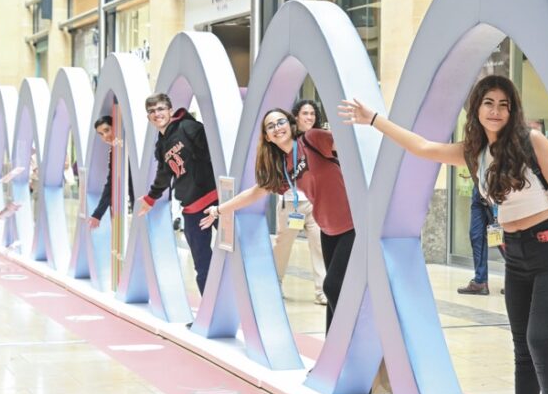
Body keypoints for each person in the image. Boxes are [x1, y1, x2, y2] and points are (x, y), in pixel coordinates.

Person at [339, 75, 548, 394]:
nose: (496, 111)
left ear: (512, 110)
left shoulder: (533, 144)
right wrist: (374, 119)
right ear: (476, 108)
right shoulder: (474, 152)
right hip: (515, 257)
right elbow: (423, 147)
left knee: (539, 340)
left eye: (503, 104)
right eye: (488, 103)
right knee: (521, 349)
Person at [201, 108, 353, 331]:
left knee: (332, 286)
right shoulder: (283, 166)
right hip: (328, 229)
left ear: (290, 124)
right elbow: (254, 193)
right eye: (270, 126)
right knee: (334, 294)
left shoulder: (311, 139)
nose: (277, 128)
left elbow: (349, 146)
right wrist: (219, 210)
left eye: (280, 122)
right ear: (267, 137)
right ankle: (333, 354)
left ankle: (351, 340)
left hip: (352, 223)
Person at [136, 94, 218, 295]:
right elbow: (164, 174)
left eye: (161, 109)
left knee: (238, 255)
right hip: (192, 208)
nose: (157, 114)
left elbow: (215, 153)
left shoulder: (189, 127)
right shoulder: (162, 144)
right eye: (152, 111)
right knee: (202, 263)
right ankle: (208, 316)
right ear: (148, 117)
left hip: (216, 201)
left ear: (170, 110)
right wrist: (151, 197)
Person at [272, 99, 328, 305]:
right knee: (282, 246)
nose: (309, 117)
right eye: (305, 113)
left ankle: (322, 291)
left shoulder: (319, 139)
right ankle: (275, 284)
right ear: (296, 116)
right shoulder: (288, 140)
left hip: (315, 203)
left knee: (320, 247)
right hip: (291, 203)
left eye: (313, 114)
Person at [87, 116, 135, 229]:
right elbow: (112, 182)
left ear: (116, 127)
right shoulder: (115, 149)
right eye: (101, 134)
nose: (105, 136)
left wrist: (98, 214)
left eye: (107, 130)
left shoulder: (127, 145)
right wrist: (98, 214)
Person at [458, 183, 491, 295]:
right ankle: (480, 281)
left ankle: (519, 280)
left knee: (502, 236)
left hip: (498, 185)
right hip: (479, 187)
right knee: (476, 235)